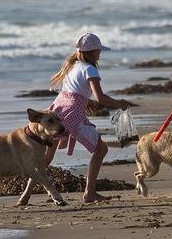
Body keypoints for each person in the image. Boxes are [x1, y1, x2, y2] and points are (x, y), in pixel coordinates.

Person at [17, 32, 128, 205]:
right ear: (92, 52)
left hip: (57, 109)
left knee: (45, 159)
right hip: (72, 115)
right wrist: (119, 103)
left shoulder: (73, 65)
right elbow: (101, 98)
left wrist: (86, 101)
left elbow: (74, 92)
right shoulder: (90, 69)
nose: (100, 54)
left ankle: (25, 196)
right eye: (99, 51)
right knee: (101, 150)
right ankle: (89, 194)